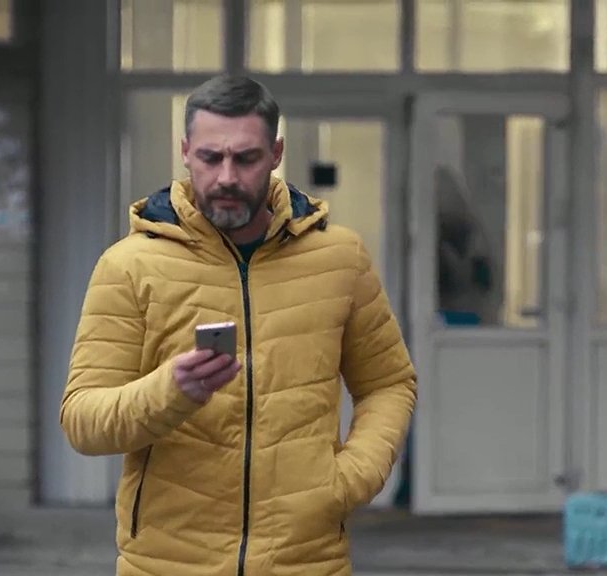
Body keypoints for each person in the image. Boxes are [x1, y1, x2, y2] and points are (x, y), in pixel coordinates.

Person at [59, 74, 417, 576]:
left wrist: (351, 478)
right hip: (169, 563)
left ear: (275, 154)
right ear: (186, 151)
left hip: (305, 560)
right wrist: (170, 391)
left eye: (246, 158)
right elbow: (83, 421)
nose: (227, 176)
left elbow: (388, 383)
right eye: (211, 157)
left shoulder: (341, 257)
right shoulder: (129, 266)